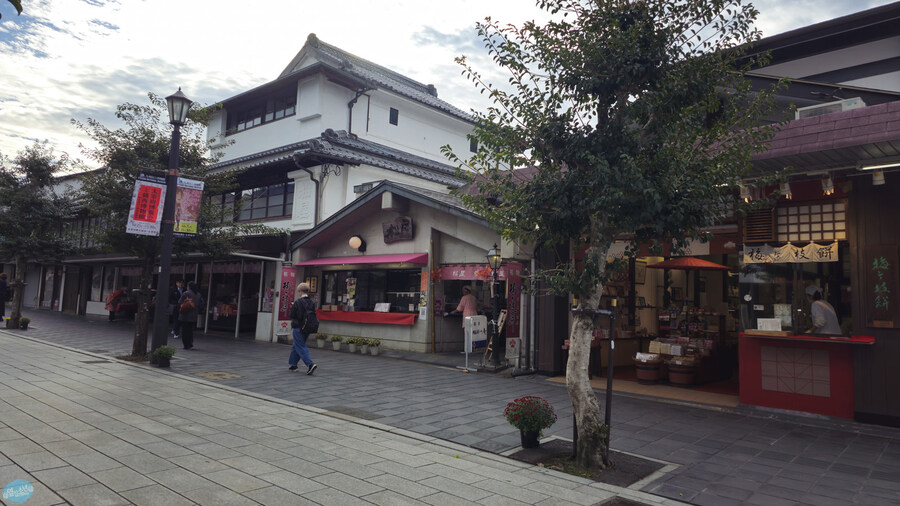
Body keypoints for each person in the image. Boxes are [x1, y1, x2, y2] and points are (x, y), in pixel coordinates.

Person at [288, 282, 318, 375]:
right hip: (308, 327)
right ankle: (293, 364)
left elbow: (291, 315)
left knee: (300, 346)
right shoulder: (311, 302)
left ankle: (310, 364)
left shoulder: (297, 302)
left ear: (300, 291)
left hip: (298, 327)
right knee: (296, 345)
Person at [177, 282, 205, 350]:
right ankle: (190, 343)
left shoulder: (186, 293)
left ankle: (186, 345)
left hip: (185, 314)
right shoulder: (198, 294)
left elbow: (179, 302)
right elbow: (202, 304)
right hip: (194, 315)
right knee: (190, 330)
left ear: (189, 287)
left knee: (184, 330)